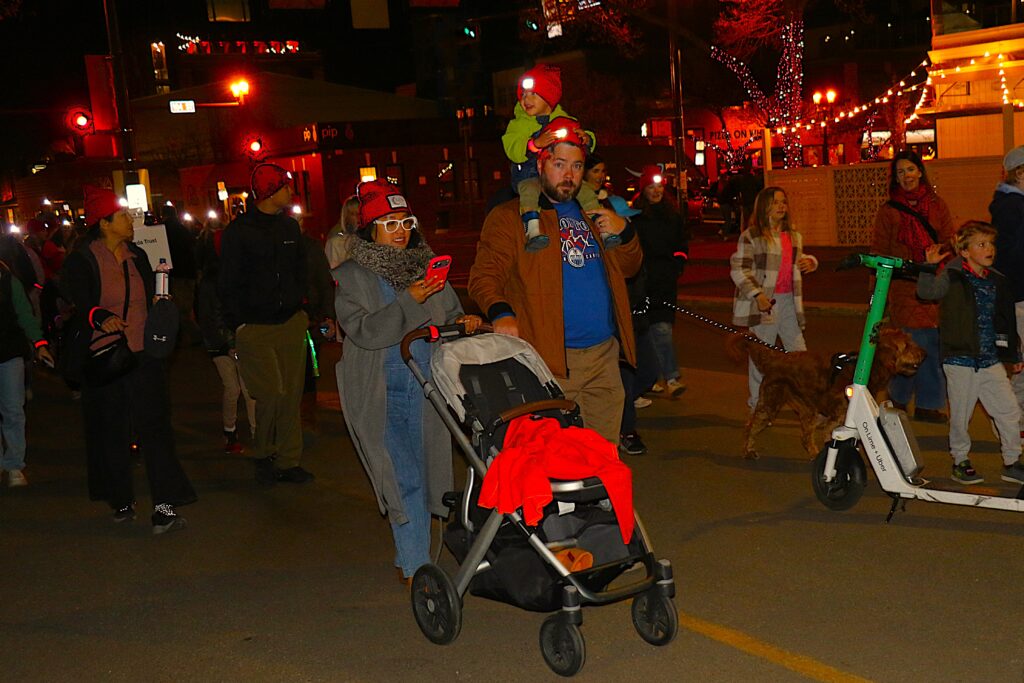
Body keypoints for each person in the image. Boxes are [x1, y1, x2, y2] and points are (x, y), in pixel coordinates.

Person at [334, 179, 481, 583]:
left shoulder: (426, 269)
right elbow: (365, 332)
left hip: (428, 388)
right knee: (404, 480)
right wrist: (409, 301)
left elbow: (450, 315)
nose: (400, 231)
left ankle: (413, 557)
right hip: (381, 390)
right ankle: (418, 571)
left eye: (406, 222)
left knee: (428, 476)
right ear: (371, 229)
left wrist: (464, 322)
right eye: (390, 223)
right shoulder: (351, 277)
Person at [469, 119, 643, 443]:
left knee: (602, 455)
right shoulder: (511, 217)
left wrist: (626, 232)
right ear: (540, 164)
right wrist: (501, 311)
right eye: (559, 164)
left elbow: (629, 268)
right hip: (550, 362)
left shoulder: (595, 211)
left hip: (604, 357)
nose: (569, 175)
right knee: (555, 458)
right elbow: (484, 276)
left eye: (576, 166)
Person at [60, 185, 196, 533]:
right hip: (106, 358)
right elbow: (79, 302)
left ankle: (164, 506)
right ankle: (120, 498)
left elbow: (151, 298)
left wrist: (162, 305)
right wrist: (98, 316)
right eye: (121, 215)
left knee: (156, 429)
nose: (130, 220)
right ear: (104, 223)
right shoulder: (83, 260)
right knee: (111, 430)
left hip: (144, 356)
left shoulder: (138, 255)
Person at [219, 163, 312, 485]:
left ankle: (288, 460)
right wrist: (238, 325)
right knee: (271, 393)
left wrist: (303, 309)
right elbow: (227, 281)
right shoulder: (239, 232)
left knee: (291, 396)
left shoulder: (289, 228)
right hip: (255, 326)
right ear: (271, 191)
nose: (290, 191)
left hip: (290, 322)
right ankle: (264, 453)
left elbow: (300, 269)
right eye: (285, 186)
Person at [917, 221, 1024, 485]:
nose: (989, 249)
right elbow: (926, 292)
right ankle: (960, 460)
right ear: (964, 251)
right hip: (960, 359)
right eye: (981, 244)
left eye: (991, 244)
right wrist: (929, 267)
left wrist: (1014, 353)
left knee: (1009, 411)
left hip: (990, 360)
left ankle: (1012, 461)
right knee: (961, 415)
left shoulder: (996, 280)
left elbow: (1005, 320)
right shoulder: (952, 276)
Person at [872, 150, 955, 423]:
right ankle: (912, 399)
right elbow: (880, 250)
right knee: (914, 342)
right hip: (903, 284)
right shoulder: (889, 211)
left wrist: (940, 265)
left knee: (928, 342)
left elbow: (948, 240)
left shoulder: (937, 205)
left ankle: (913, 400)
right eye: (900, 172)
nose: (906, 176)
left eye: (910, 169)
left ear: (920, 171)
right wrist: (877, 291)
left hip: (933, 282)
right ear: (895, 178)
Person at [730, 186, 818, 410]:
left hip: (789, 301)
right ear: (764, 206)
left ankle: (808, 403)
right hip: (765, 304)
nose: (781, 206)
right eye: (776, 202)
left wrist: (810, 262)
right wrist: (757, 294)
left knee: (800, 354)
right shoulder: (752, 236)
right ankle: (757, 405)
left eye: (784, 202)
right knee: (762, 357)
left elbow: (795, 259)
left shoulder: (793, 236)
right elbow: (739, 269)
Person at [502, 64, 601, 251]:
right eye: (523, 95)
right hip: (529, 174)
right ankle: (532, 230)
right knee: (529, 193)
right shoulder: (518, 123)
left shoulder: (563, 119)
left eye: (533, 94)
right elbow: (511, 146)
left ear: (548, 96)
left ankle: (600, 224)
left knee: (585, 190)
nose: (526, 100)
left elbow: (579, 137)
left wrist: (587, 139)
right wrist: (533, 144)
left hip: (557, 176)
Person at [194, 214, 255, 454]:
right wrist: (227, 344)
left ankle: (257, 433)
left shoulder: (238, 276)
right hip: (220, 343)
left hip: (239, 339)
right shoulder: (211, 282)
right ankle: (230, 431)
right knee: (233, 387)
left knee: (249, 390)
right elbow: (209, 317)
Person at [631, 165, 690, 398]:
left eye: (659, 187)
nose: (656, 191)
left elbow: (682, 244)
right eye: (650, 187)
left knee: (662, 329)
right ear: (643, 190)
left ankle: (671, 378)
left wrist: (678, 263)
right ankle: (652, 376)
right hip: (643, 282)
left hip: (665, 282)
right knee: (646, 332)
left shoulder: (672, 215)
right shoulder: (635, 217)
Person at [0, 256, 53, 486]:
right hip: (10, 352)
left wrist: (40, 343)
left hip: (9, 352)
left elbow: (24, 314)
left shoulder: (7, 280)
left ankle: (14, 464)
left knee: (13, 409)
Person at [989, 145, 1024, 438]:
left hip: (1017, 294)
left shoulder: (1012, 205)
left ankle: (1015, 424)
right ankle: (1009, 425)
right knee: (1017, 364)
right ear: (1020, 173)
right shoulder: (1012, 207)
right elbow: (1010, 256)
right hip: (1017, 296)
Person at [162, 203, 200, 347]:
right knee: (186, 307)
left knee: (180, 309)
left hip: (176, 273)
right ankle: (190, 336)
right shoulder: (183, 229)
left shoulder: (164, 230)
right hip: (189, 272)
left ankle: (193, 336)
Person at [325, 195, 361, 272]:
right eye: (353, 214)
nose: (359, 218)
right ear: (346, 217)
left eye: (361, 214)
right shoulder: (336, 243)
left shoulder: (372, 240)